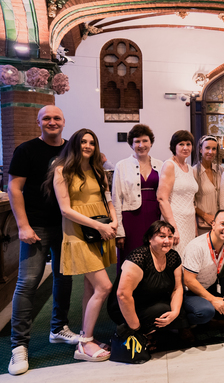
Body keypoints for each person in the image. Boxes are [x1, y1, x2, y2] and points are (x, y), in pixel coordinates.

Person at [7, 105, 78, 376]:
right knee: (28, 283)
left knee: (65, 277)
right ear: (39, 122)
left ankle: (59, 328)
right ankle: (18, 346)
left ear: (63, 121)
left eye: (56, 118)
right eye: (46, 118)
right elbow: (14, 188)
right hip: (35, 226)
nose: (51, 122)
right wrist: (22, 225)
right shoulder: (26, 150)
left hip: (65, 225)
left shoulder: (70, 149)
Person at [48, 128, 117, 362]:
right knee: (104, 287)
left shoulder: (98, 170)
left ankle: (88, 336)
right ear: (75, 144)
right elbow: (65, 210)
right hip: (79, 234)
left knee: (91, 288)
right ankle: (84, 344)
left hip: (101, 231)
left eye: (91, 142)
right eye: (83, 142)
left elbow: (107, 199)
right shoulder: (62, 170)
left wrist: (114, 220)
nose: (87, 146)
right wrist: (99, 226)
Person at [107, 221, 188, 338]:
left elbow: (177, 288)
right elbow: (123, 295)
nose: (167, 241)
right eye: (162, 236)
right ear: (150, 238)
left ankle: (155, 332)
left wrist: (175, 312)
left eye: (170, 236)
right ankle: (140, 332)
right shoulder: (139, 257)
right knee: (165, 309)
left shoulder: (173, 256)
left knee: (180, 306)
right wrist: (136, 328)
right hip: (126, 306)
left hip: (152, 299)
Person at [112, 124, 163, 274]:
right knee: (132, 257)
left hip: (154, 215)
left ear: (151, 143)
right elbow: (116, 199)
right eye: (137, 141)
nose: (141, 145)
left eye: (145, 141)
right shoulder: (122, 165)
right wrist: (119, 232)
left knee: (154, 253)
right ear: (131, 144)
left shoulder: (160, 164)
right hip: (131, 218)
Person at [182, 210, 224, 330]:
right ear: (213, 224)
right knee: (205, 312)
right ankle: (184, 325)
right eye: (223, 224)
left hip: (210, 287)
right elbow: (189, 281)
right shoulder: (197, 246)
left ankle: (208, 321)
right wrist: (213, 299)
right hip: (189, 292)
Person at [157, 130, 198, 255]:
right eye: (181, 144)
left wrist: (195, 225)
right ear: (174, 146)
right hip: (175, 219)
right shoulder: (169, 165)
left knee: (189, 258)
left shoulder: (190, 168)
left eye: (188, 144)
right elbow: (162, 198)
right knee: (176, 258)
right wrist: (173, 227)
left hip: (189, 221)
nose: (185, 147)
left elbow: (191, 200)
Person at [194, 135, 224, 237]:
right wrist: (205, 215)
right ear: (200, 150)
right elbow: (190, 202)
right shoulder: (193, 172)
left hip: (220, 224)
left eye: (214, 149)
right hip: (202, 224)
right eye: (207, 148)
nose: (210, 152)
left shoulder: (220, 170)